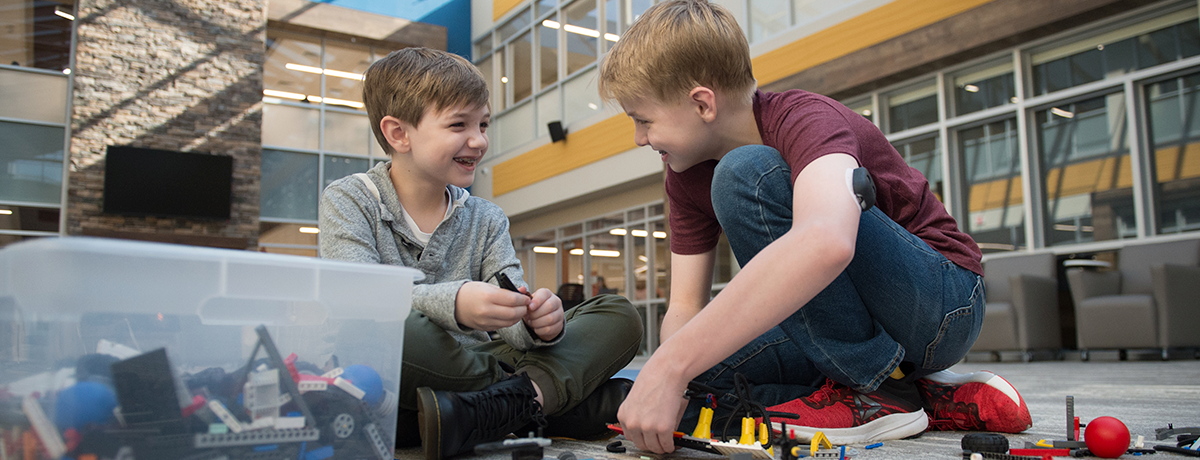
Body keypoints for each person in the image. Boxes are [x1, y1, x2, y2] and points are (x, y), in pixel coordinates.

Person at [596, 0, 1032, 452]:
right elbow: (686, 306)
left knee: (746, 173)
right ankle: (918, 392)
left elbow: (826, 242)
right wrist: (675, 377)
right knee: (704, 371)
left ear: (702, 103)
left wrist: (669, 367)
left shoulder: (806, 119)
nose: (639, 139)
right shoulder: (683, 175)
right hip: (854, 331)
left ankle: (878, 391)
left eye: (643, 120)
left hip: (943, 305)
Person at [319, 47, 643, 460]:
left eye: (484, 124)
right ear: (398, 133)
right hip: (391, 375)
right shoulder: (349, 199)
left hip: (478, 362)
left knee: (619, 315)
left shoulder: (486, 217)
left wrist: (537, 322)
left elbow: (511, 313)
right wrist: (455, 303)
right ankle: (538, 399)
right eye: (459, 125)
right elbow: (356, 296)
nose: (479, 140)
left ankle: (493, 408)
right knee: (383, 324)